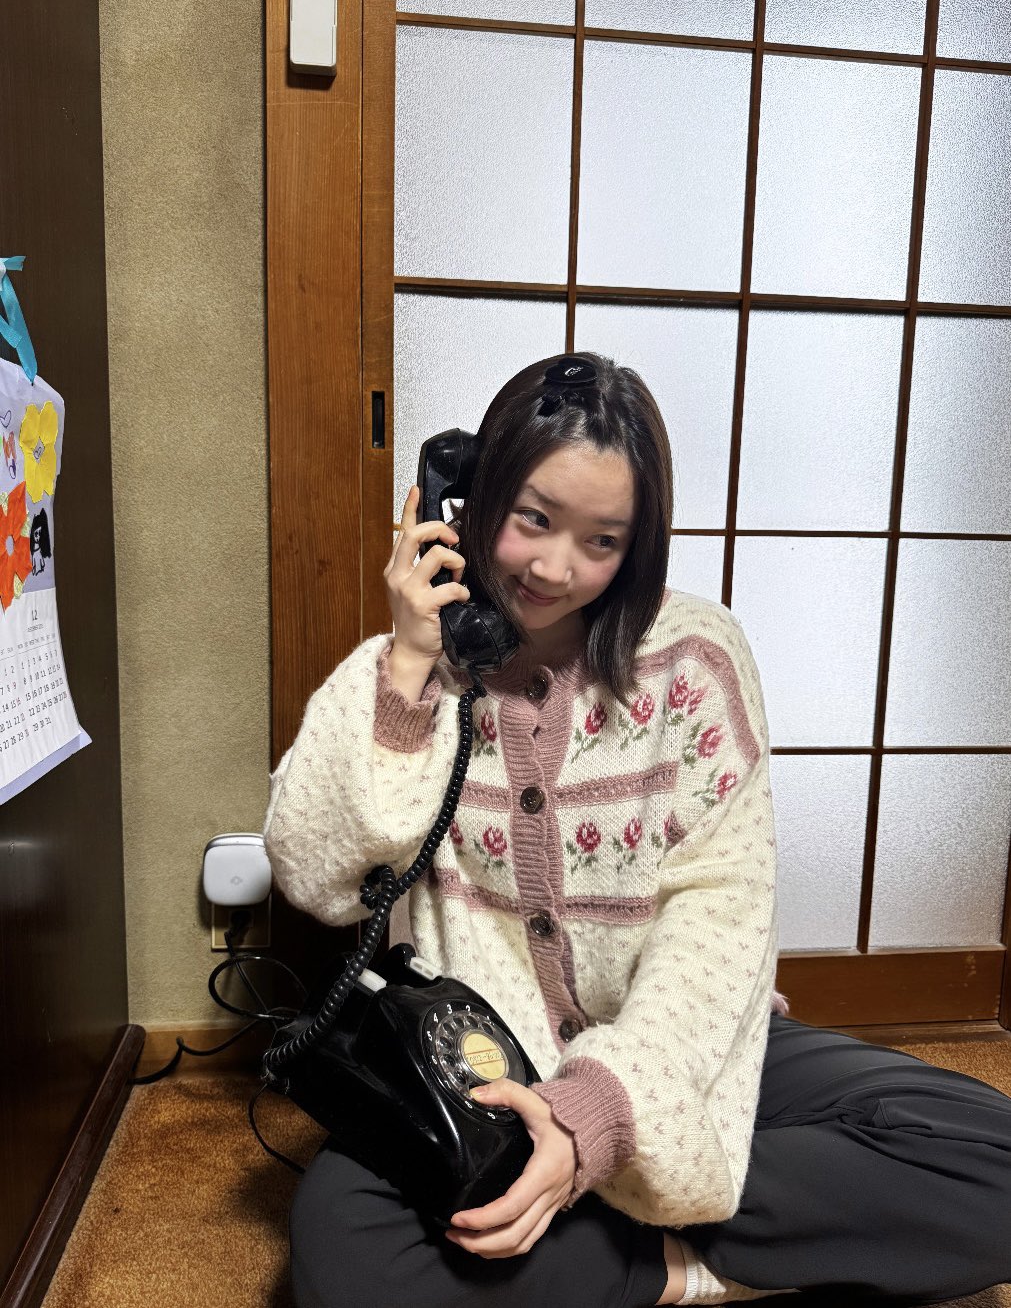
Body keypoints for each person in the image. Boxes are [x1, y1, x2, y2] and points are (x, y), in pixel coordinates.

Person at [264, 352, 1011, 1308]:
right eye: (532, 518)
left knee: (990, 1161)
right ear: (469, 497)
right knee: (342, 1249)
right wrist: (410, 665)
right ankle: (670, 1256)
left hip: (679, 1052)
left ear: (639, 544)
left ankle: (626, 1235)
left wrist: (599, 1119)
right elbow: (316, 879)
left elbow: (718, 916)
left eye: (601, 540)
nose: (554, 567)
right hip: (489, 1076)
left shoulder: (695, 659)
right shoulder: (408, 672)